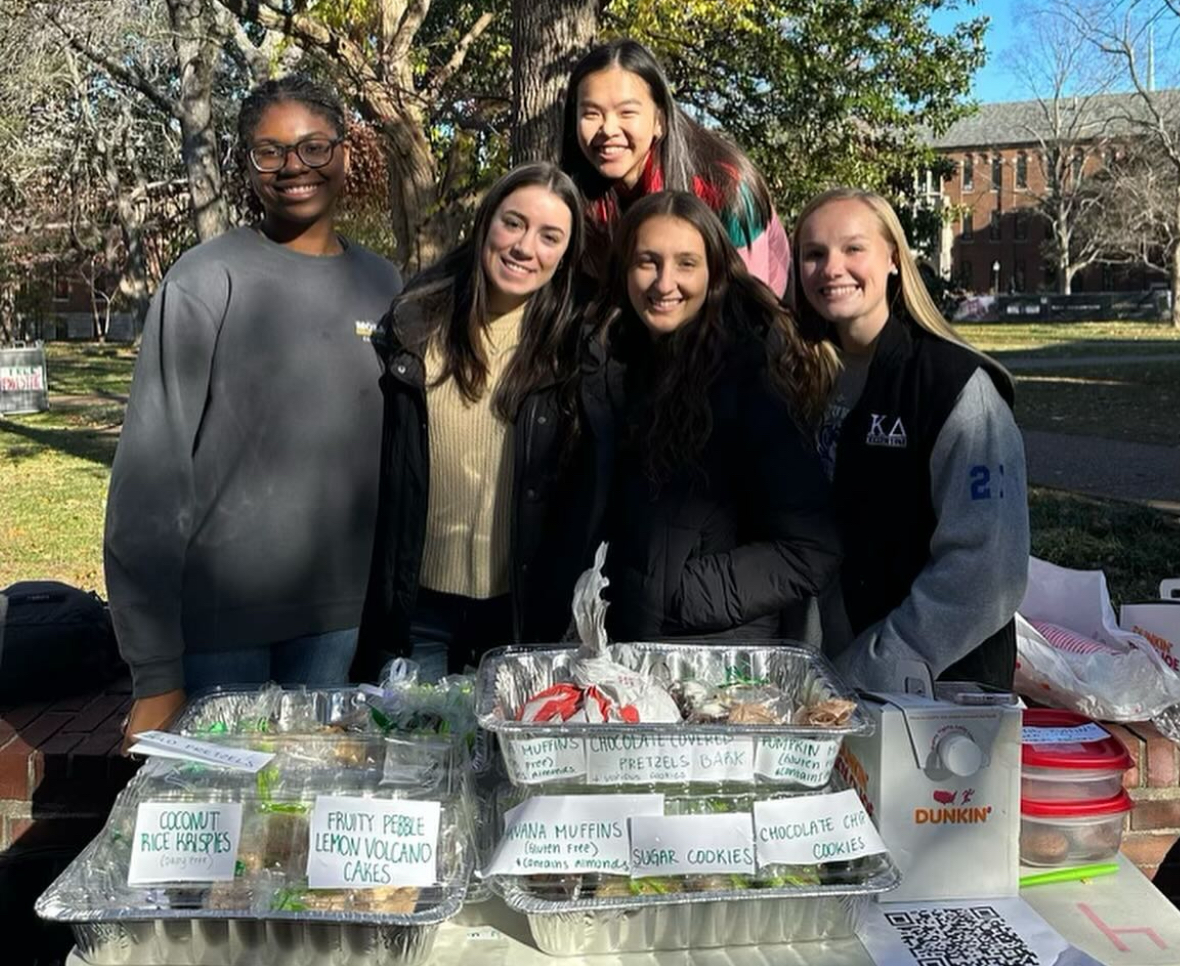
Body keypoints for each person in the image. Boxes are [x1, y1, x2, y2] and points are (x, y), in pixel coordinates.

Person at [105, 74, 402, 740]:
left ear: (345, 154)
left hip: (342, 629)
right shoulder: (205, 280)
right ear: (248, 165)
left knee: (307, 824)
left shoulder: (384, 285)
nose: (293, 166)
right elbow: (147, 483)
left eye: (313, 147)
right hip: (221, 631)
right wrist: (155, 671)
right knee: (226, 832)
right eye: (269, 151)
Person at [355, 163, 586, 680]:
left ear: (566, 256)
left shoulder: (575, 351)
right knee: (417, 754)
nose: (525, 247)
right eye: (513, 223)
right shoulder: (413, 325)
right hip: (419, 613)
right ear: (485, 223)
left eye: (551, 236)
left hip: (518, 616)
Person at [792, 188, 1029, 692]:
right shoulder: (799, 379)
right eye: (814, 254)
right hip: (826, 683)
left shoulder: (955, 387)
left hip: (938, 691)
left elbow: (986, 571)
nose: (832, 267)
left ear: (894, 258)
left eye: (853, 248)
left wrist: (875, 666)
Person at [583, 190, 841, 641]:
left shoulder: (750, 379)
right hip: (629, 652)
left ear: (714, 274)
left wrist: (672, 593)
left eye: (686, 263)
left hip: (718, 663)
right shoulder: (613, 367)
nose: (665, 283)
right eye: (648, 261)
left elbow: (809, 551)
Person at [560, 39, 792, 295]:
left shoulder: (725, 187)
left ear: (660, 120)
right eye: (591, 114)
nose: (608, 129)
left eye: (627, 113)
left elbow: (751, 307)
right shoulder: (575, 196)